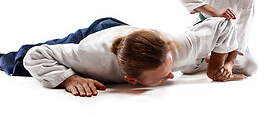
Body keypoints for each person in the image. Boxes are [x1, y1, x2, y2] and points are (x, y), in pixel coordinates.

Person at [1, 16, 245, 97]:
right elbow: (37, 55)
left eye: (168, 69)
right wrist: (69, 79)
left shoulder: (178, 48)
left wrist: (218, 66)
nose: (172, 75)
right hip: (97, 34)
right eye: (161, 78)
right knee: (21, 62)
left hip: (127, 34)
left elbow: (223, 24)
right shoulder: (89, 57)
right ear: (131, 80)